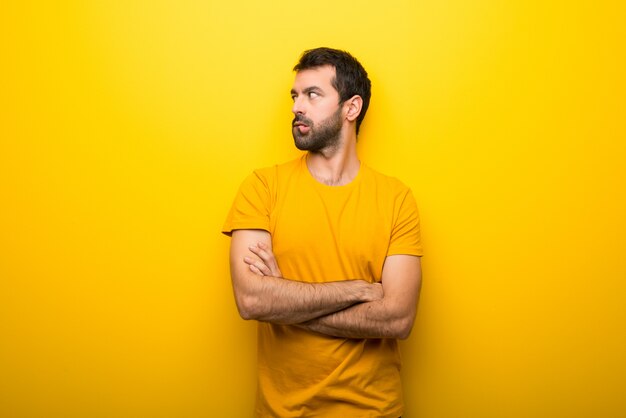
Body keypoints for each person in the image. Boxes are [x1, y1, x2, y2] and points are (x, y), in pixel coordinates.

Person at [222, 47, 423, 417]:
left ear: (351, 108)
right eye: (295, 96)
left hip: (373, 410)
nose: (298, 106)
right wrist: (357, 290)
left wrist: (285, 303)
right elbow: (251, 301)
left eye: (313, 95)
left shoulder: (396, 199)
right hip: (282, 411)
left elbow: (397, 319)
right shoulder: (262, 188)